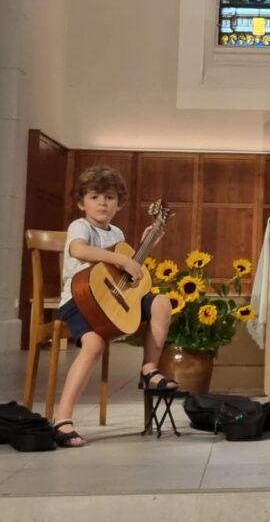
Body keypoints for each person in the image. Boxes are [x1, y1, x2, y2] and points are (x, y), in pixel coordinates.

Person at [52, 166, 177, 448]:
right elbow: (79, 251)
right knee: (94, 344)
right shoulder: (79, 227)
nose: (102, 203)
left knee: (160, 303)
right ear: (81, 202)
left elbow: (124, 276)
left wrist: (146, 246)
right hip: (78, 301)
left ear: (119, 204)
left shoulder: (117, 233)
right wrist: (123, 260)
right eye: (95, 196)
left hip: (111, 303)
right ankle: (62, 419)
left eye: (109, 197)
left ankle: (149, 370)